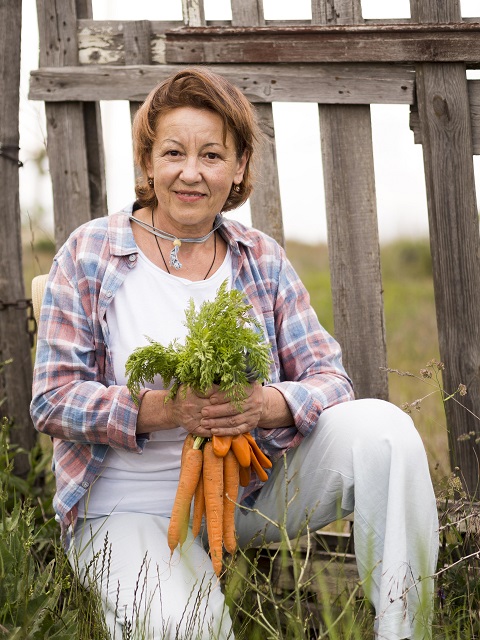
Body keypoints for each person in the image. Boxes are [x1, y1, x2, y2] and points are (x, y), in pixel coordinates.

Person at [31, 67, 438, 640]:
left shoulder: (258, 257)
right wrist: (169, 409)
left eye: (213, 155)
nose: (190, 173)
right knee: (187, 627)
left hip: (245, 491)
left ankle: (405, 629)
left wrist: (265, 403)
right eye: (173, 152)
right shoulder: (92, 251)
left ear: (240, 166)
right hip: (132, 507)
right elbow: (52, 401)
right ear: (148, 162)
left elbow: (330, 379)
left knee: (386, 433)